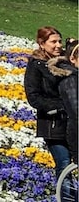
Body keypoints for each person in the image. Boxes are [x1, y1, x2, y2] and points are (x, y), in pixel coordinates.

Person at [25, 26, 70, 177]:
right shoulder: (36, 65)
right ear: (42, 44)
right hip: (52, 123)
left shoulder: (66, 61)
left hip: (72, 121)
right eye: (53, 42)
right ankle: (65, 193)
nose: (58, 45)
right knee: (64, 162)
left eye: (60, 41)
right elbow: (34, 97)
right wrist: (62, 106)